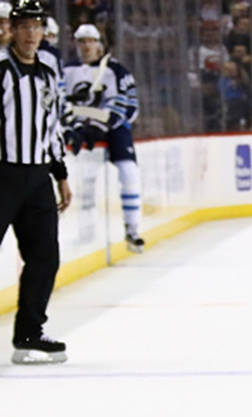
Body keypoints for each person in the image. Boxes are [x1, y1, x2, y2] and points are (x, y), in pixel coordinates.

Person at [0, 0, 72, 364]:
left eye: (37, 26)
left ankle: (29, 332)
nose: (31, 34)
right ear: (11, 29)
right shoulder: (0, 70)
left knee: (45, 256)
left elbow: (51, 126)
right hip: (2, 174)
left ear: (44, 31)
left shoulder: (47, 70)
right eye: (24, 26)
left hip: (37, 177)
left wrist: (60, 173)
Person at [63, 23, 145, 253]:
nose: (86, 46)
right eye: (81, 41)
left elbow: (129, 107)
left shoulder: (116, 70)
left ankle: (132, 228)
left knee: (129, 172)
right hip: (82, 129)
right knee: (85, 178)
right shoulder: (67, 70)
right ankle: (86, 229)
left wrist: (96, 121)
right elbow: (63, 104)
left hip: (114, 128)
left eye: (90, 41)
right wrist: (80, 122)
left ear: (99, 43)